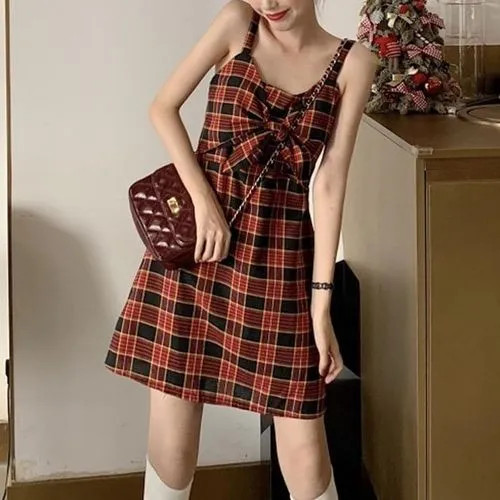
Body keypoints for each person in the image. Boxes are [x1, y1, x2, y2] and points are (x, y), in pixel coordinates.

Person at [104, 1, 377, 499]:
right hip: (198, 258)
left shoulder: (354, 63)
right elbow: (163, 107)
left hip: (280, 267)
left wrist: (321, 306)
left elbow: (329, 184)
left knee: (306, 451)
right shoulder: (238, 24)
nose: (268, 3)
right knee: (173, 439)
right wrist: (203, 203)